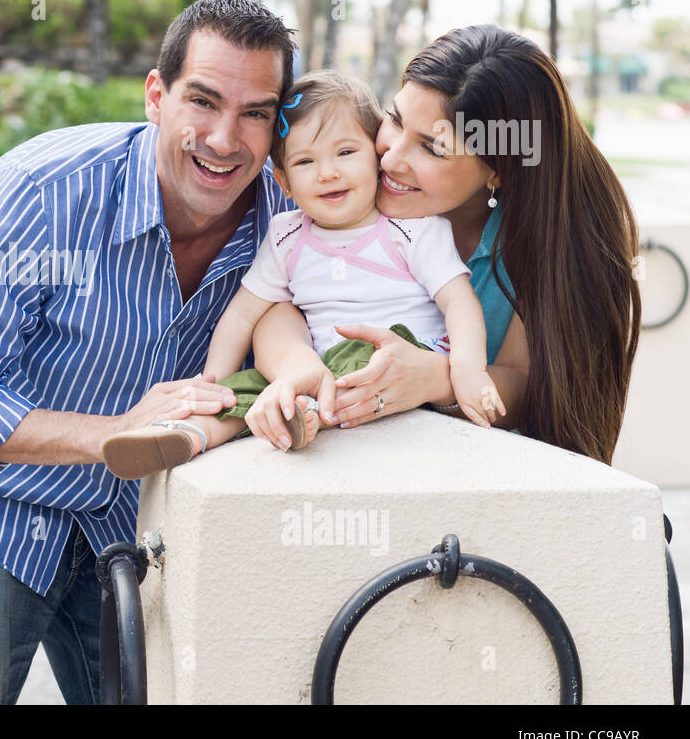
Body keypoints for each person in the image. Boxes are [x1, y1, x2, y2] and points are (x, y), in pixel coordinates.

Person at [0, 0, 298, 704]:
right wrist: (114, 434)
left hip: (132, 521)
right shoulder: (47, 190)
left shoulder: (285, 224)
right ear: (156, 95)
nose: (226, 139)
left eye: (255, 112)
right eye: (202, 101)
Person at [242, 24, 641, 466]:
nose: (391, 158)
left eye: (432, 148)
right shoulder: (336, 190)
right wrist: (295, 361)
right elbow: (277, 303)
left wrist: (437, 378)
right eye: (394, 119)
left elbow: (535, 388)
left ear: (498, 171)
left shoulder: (555, 246)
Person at [100, 71, 505, 479]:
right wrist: (214, 383)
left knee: (360, 358)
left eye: (345, 153)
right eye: (306, 162)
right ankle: (186, 434)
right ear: (284, 181)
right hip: (316, 367)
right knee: (248, 384)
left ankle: (301, 411)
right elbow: (243, 315)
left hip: (393, 355)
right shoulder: (287, 236)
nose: (327, 172)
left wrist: (468, 369)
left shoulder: (413, 230)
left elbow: (458, 300)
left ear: (374, 158)